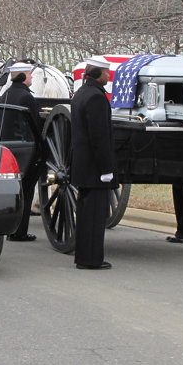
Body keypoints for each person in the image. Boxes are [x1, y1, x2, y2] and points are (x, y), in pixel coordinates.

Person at [70, 56, 116, 270]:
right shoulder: (96, 97)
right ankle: (91, 259)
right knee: (95, 216)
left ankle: (84, 256)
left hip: (83, 164)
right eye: (106, 73)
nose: (108, 76)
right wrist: (106, 168)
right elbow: (99, 137)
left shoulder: (81, 94)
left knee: (87, 214)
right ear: (98, 74)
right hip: (94, 167)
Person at [1, 62, 41, 242]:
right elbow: (34, 124)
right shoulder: (26, 97)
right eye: (30, 74)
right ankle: (20, 232)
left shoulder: (6, 94)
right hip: (27, 148)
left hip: (10, 146)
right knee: (27, 190)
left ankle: (10, 227)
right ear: (23, 77)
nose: (31, 77)